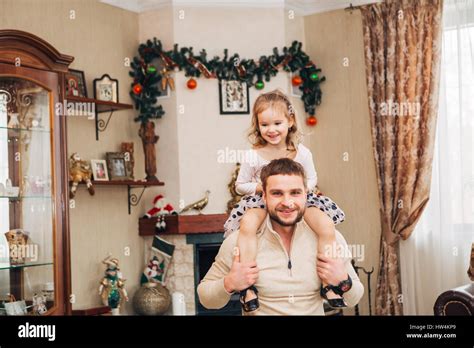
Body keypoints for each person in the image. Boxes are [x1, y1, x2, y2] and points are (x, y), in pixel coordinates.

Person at [223, 89, 346, 312]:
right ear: (257, 126)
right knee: (247, 224)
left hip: (301, 201)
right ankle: (248, 286)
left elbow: (313, 178)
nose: (271, 130)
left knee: (326, 225)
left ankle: (329, 284)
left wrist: (297, 191)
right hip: (262, 202)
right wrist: (262, 188)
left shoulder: (302, 153)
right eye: (264, 124)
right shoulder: (253, 155)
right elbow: (240, 186)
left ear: (290, 121)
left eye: (277, 123)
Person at [198, 158, 364, 315]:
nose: (287, 202)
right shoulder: (239, 241)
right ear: (264, 196)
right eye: (277, 193)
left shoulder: (329, 237)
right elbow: (206, 298)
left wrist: (344, 281)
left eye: (295, 193)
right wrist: (229, 283)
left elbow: (354, 298)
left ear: (306, 194)